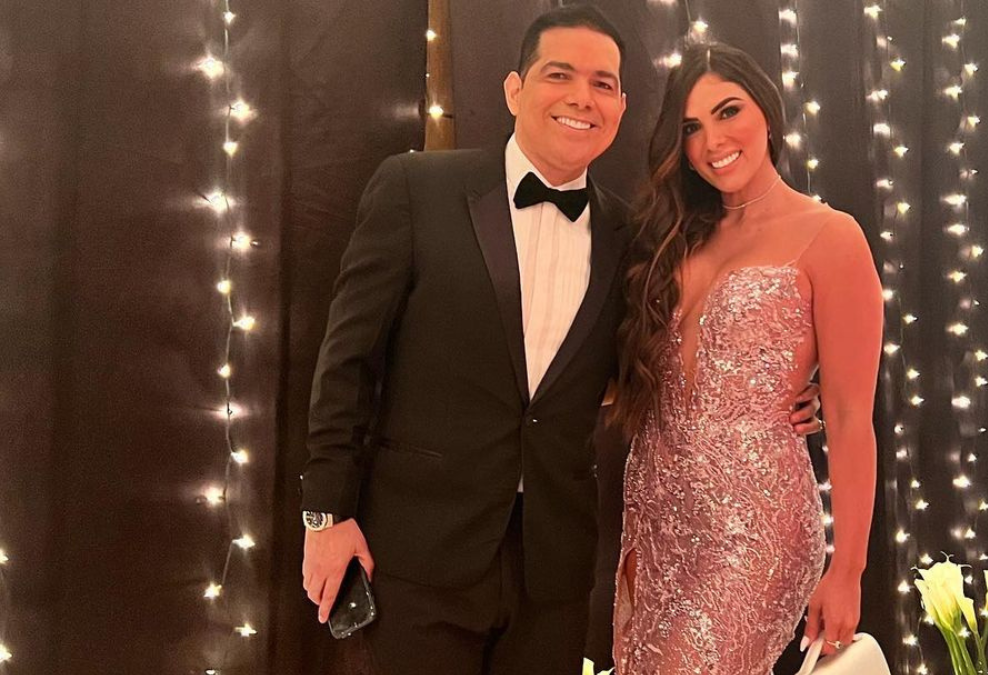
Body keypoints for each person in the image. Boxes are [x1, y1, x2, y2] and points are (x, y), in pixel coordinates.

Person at [299, 7, 823, 673]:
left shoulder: (633, 238)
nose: (582, 97)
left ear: (622, 106)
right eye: (560, 75)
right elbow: (348, 361)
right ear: (514, 90)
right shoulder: (416, 189)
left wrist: (781, 392)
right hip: (416, 555)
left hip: (553, 572)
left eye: (603, 83)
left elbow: (663, 361)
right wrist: (325, 515)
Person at [610, 42, 883, 674]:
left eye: (728, 111)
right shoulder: (671, 234)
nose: (713, 141)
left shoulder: (831, 236)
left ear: (767, 110)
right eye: (691, 127)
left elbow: (850, 417)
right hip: (654, 514)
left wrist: (848, 568)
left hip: (753, 526)